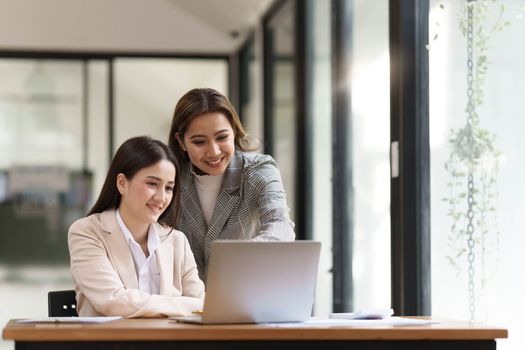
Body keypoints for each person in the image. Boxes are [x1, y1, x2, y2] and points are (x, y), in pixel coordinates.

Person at [68, 136, 204, 317]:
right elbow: (113, 302)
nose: (161, 197)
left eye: (169, 188)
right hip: (109, 344)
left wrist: (193, 306)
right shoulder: (87, 232)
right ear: (122, 183)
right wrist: (184, 305)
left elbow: (203, 307)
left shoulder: (177, 240)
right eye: (152, 184)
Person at [168, 87, 295, 282]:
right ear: (181, 142)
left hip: (248, 293)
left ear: (234, 131)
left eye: (222, 137)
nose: (214, 151)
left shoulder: (259, 170)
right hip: (186, 302)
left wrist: (244, 254)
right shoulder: (171, 178)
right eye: (199, 142)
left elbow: (280, 225)